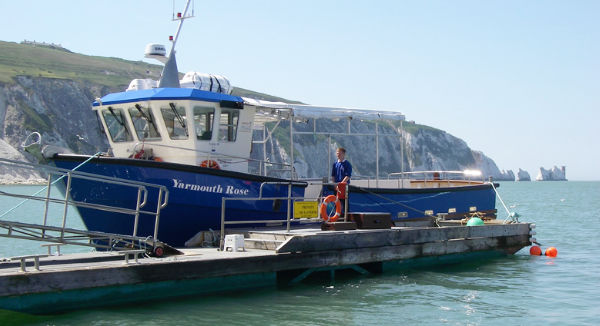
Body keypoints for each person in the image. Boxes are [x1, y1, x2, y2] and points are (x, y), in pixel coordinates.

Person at [331, 147, 352, 216]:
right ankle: (337, 216)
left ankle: (346, 216)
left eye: (339, 153)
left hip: (344, 187)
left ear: (343, 154)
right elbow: (333, 175)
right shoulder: (335, 164)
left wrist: (341, 184)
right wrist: (335, 185)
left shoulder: (347, 164)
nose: (338, 155)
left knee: (344, 202)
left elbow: (347, 176)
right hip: (336, 186)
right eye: (337, 153)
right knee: (336, 202)